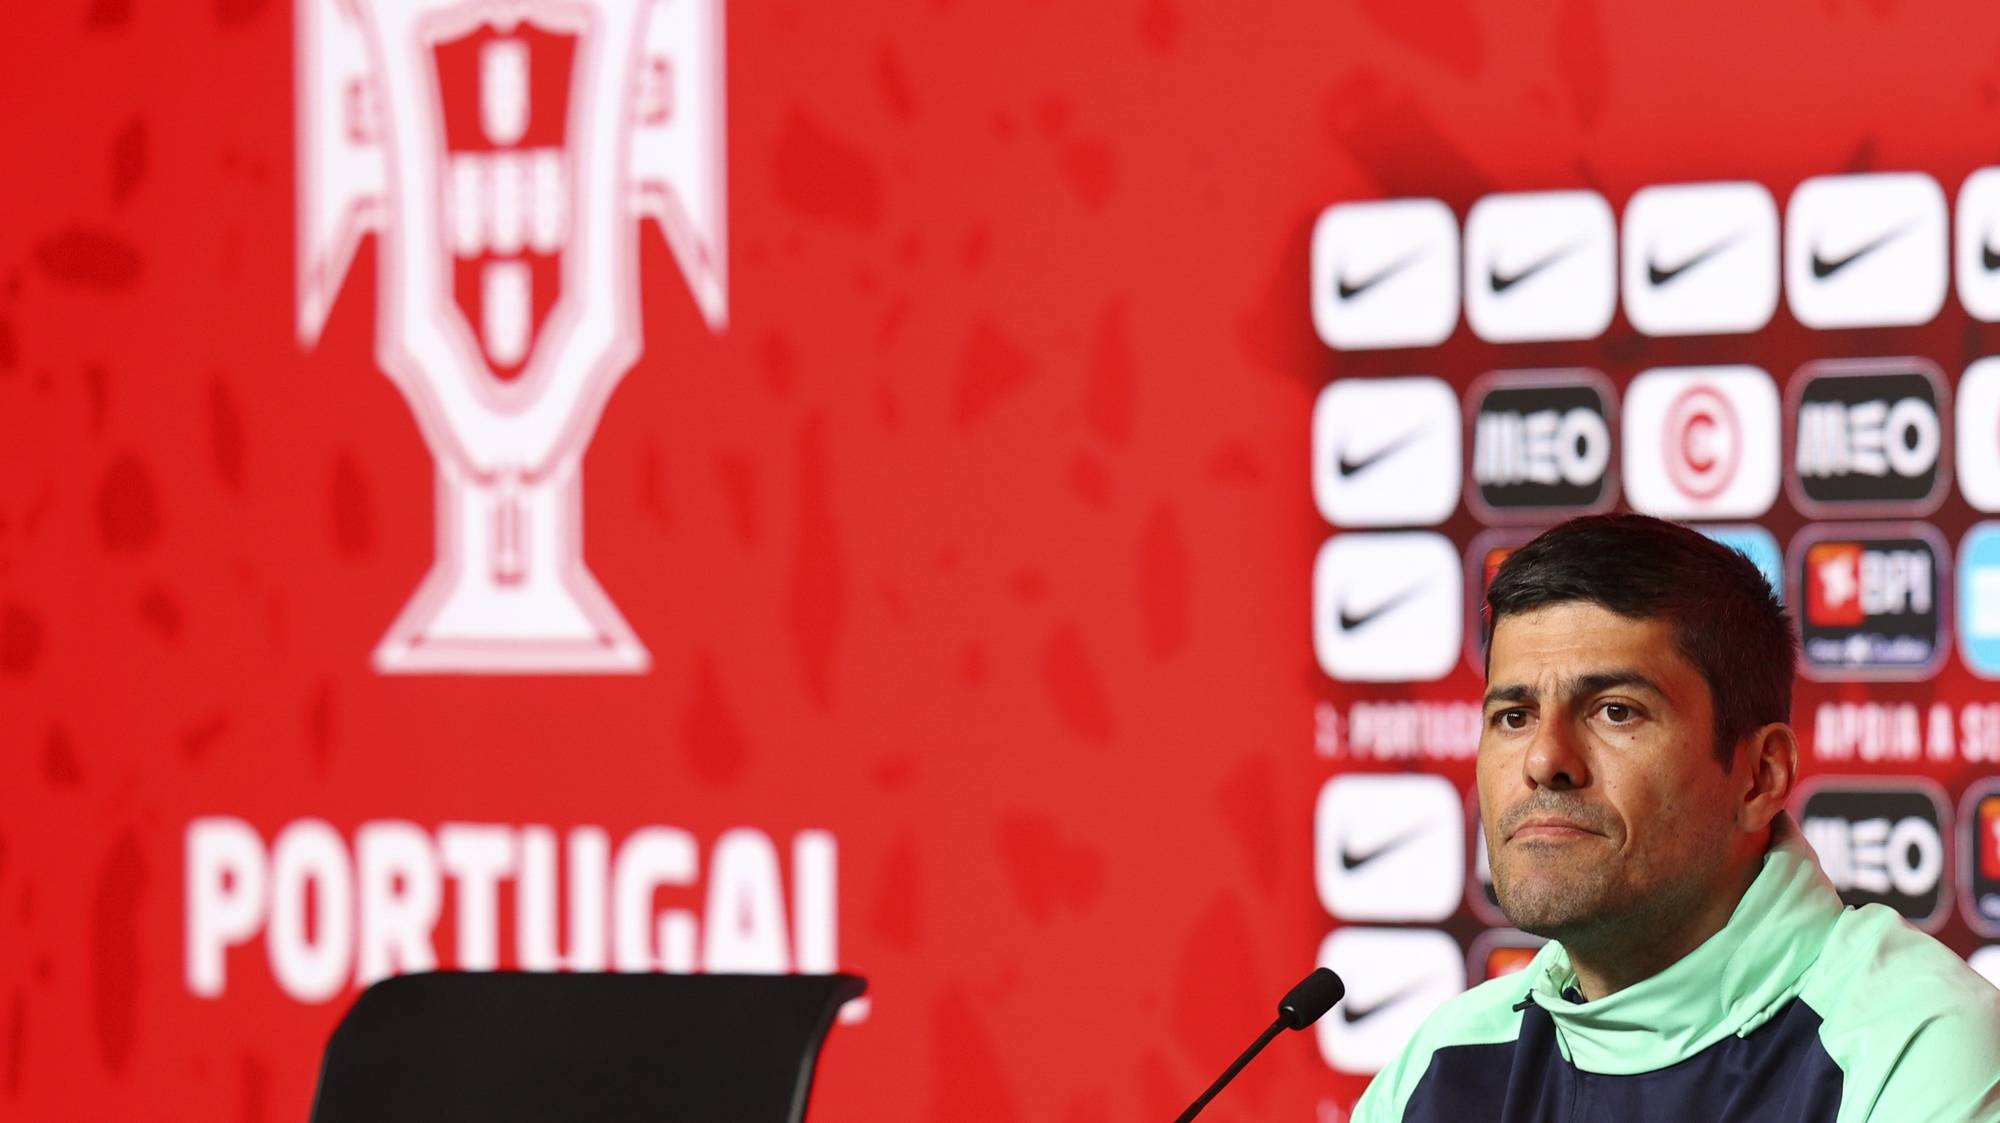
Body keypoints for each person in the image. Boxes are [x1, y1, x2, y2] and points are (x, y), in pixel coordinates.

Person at [1351, 514, 2000, 1123]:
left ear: (1760, 775)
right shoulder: (1438, 1066)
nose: (1546, 758)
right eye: (1514, 716)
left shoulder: (1913, 1045)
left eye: (1615, 710)